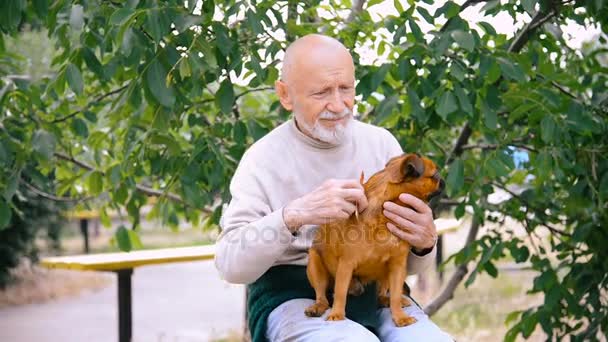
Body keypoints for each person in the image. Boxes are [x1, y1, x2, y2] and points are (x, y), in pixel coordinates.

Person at [215, 34, 453, 342]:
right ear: (285, 95)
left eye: (346, 89)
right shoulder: (262, 159)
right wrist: (293, 215)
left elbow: (411, 265)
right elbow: (230, 266)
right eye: (322, 92)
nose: (339, 105)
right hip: (292, 297)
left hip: (375, 290)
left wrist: (423, 242)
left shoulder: (381, 144)